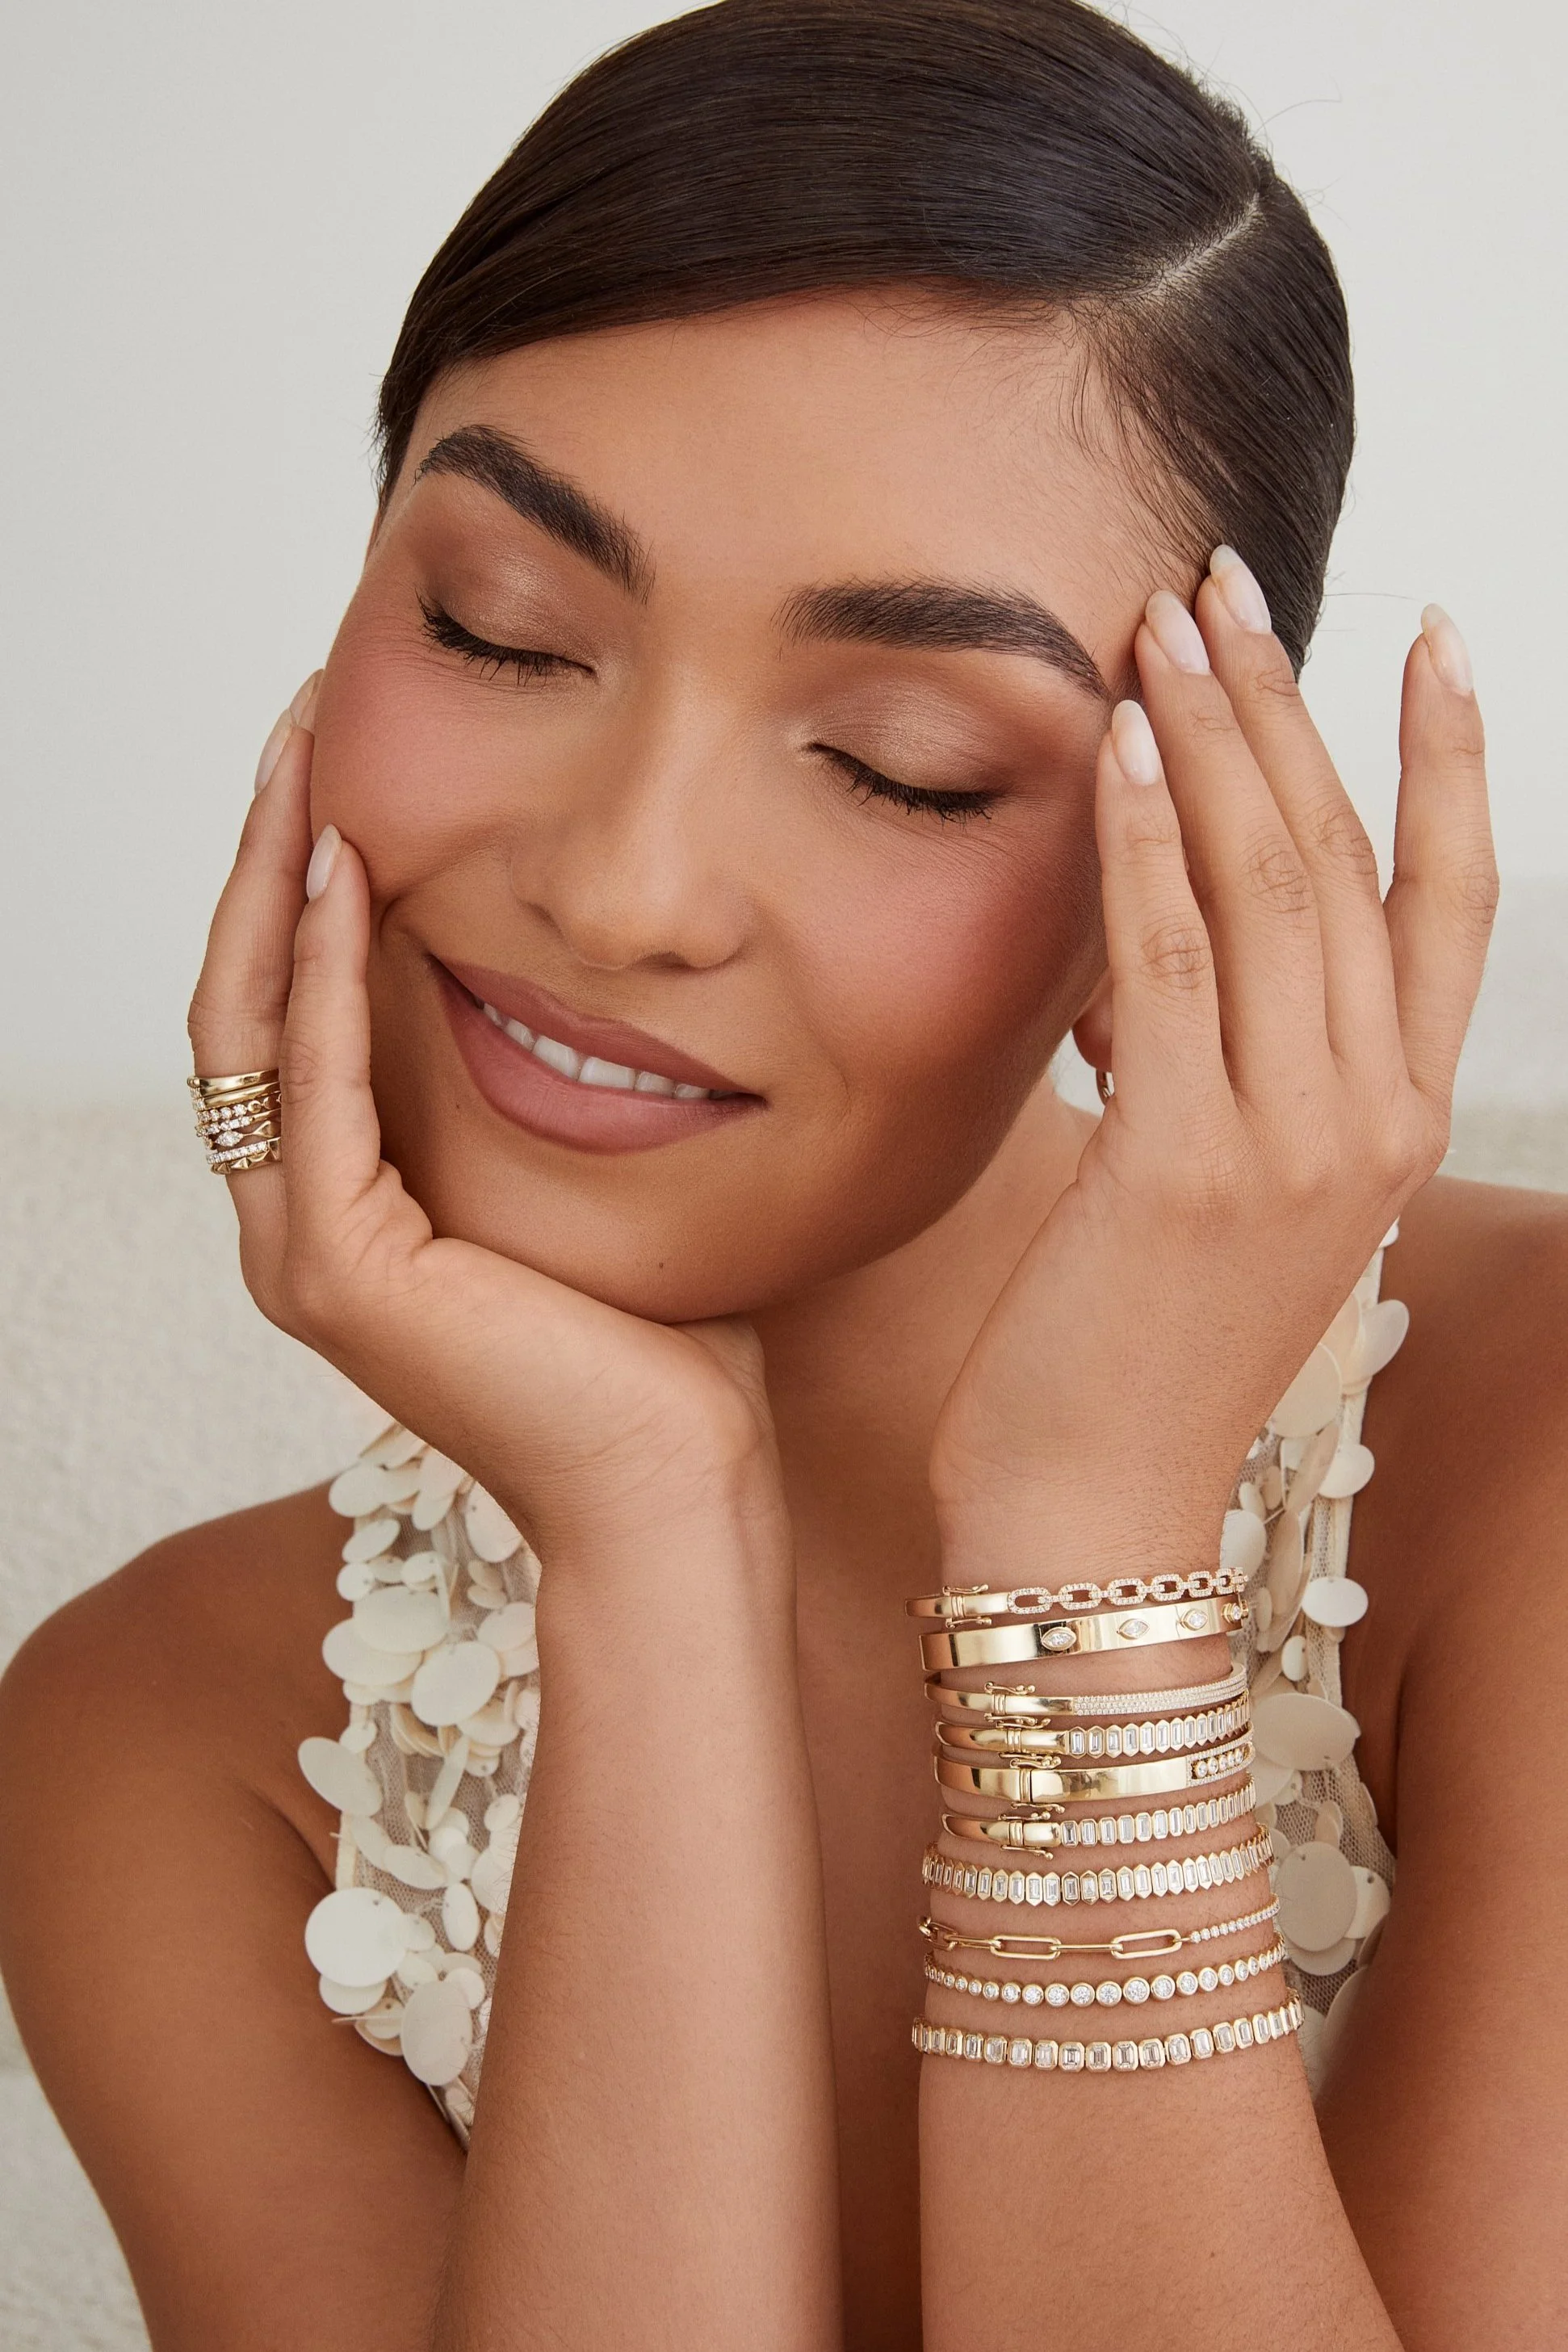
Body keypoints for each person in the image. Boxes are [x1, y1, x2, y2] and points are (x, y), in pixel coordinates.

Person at [1, 2, 1564, 2345]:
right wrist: (646, 1532)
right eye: (500, 628)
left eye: (905, 763)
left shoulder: (1533, 1456)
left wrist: (1087, 1530)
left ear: (1194, 842)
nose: (623, 890)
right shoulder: (159, 1737)